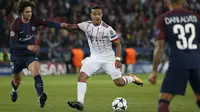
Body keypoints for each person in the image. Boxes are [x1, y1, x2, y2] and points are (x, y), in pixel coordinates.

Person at [62, 6, 143, 111]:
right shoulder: (86, 25)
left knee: (119, 83)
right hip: (94, 58)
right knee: (81, 76)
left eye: (99, 14)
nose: (97, 16)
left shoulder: (107, 29)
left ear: (102, 15)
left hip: (109, 59)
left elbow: (118, 44)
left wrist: (118, 59)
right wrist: (58, 25)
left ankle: (132, 78)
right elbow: (71, 27)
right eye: (95, 14)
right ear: (91, 15)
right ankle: (80, 102)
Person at [9, 0, 66, 108]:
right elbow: (13, 45)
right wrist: (27, 46)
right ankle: (14, 90)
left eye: (30, 11)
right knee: (17, 81)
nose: (30, 14)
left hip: (30, 55)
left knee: (36, 71)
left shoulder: (34, 19)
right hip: (17, 56)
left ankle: (40, 96)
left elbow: (47, 23)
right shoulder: (15, 25)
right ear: (21, 12)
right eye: (27, 12)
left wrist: (61, 26)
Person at [148, 0, 200, 112]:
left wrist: (154, 71)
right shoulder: (195, 17)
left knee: (164, 101)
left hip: (178, 62)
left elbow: (159, 48)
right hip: (197, 62)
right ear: (183, 2)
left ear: (167, 3)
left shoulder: (163, 19)